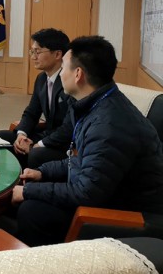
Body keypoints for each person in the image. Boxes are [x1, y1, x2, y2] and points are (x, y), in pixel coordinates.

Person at [11, 36, 163, 246]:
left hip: (129, 214)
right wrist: (43, 172)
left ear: (78, 74)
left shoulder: (109, 125)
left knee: (32, 210)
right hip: (107, 191)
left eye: (63, 67)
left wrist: (29, 192)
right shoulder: (97, 104)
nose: (60, 73)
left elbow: (87, 192)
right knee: (32, 187)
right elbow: (83, 159)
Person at [0, 28, 72, 168]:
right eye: (32, 52)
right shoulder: (42, 78)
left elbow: (69, 127)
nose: (33, 57)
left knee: (35, 154)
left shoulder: (69, 81)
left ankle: (28, 178)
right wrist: (21, 134)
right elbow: (32, 112)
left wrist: (38, 144)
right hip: (46, 134)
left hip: (64, 142)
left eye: (38, 52)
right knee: (2, 137)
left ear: (57, 54)